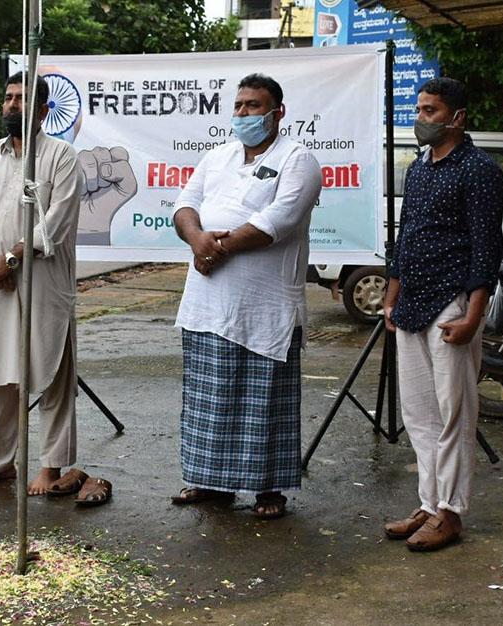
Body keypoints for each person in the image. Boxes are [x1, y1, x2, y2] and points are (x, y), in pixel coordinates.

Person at [170, 73, 322, 519]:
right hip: (207, 303)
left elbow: (282, 218)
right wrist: (197, 238)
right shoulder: (216, 156)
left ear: (278, 113)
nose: (243, 114)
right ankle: (208, 481)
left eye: (253, 106)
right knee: (209, 397)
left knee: (264, 402)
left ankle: (267, 489)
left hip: (265, 308)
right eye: (238, 106)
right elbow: (184, 205)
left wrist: (218, 247)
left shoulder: (299, 159)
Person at [383, 77, 503, 551]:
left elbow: (485, 249)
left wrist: (474, 315)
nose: (421, 118)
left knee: (454, 414)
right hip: (411, 303)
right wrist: (391, 296)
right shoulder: (419, 169)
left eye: (430, 111)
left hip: (452, 304)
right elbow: (406, 234)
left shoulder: (479, 170)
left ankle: (451, 513)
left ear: (457, 118)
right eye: (419, 109)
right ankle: (430, 504)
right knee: (419, 415)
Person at [0, 72, 83, 494]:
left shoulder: (61, 156)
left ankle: (51, 464)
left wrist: (9, 260)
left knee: (49, 373)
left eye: (23, 100)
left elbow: (56, 224)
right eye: (8, 98)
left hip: (41, 284)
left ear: (44, 110)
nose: (13, 105)